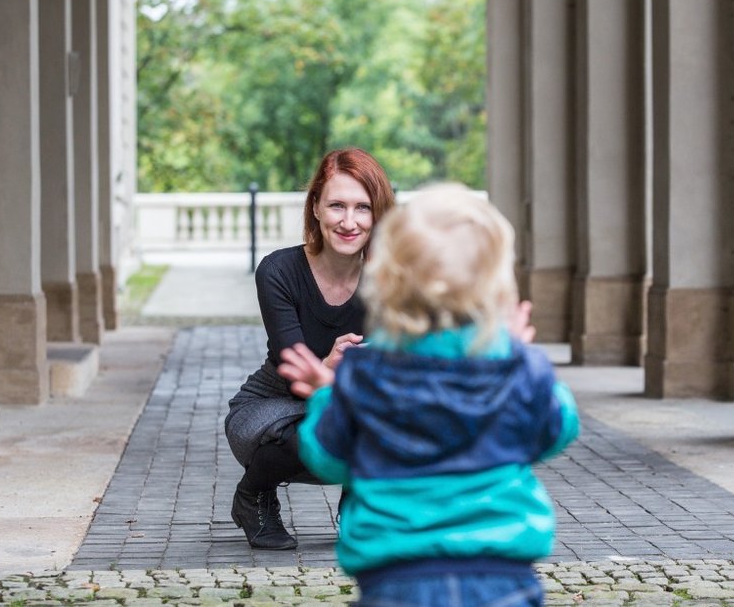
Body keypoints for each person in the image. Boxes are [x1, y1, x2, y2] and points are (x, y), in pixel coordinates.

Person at [278, 183, 581, 606]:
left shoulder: (364, 376)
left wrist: (329, 395)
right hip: (501, 577)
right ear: (495, 285)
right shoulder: (516, 369)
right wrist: (518, 356)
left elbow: (326, 456)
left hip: (395, 579)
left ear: (386, 280)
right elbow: (559, 428)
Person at [224, 148, 395, 550]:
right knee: (318, 426)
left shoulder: (391, 280)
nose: (349, 222)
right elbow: (296, 375)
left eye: (363, 208)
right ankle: (253, 495)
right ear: (315, 207)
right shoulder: (279, 270)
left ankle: (361, 506)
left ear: (378, 215)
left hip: (354, 406)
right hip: (274, 409)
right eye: (337, 205)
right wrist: (327, 366)